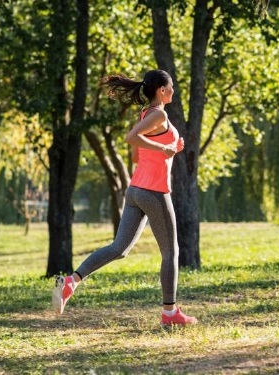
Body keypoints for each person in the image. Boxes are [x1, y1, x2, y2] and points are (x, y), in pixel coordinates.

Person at [52, 69, 197, 326]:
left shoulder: (146, 114)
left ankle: (71, 282)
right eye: (171, 87)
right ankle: (170, 313)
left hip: (135, 191)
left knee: (119, 249)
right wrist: (164, 147)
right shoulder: (159, 114)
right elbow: (131, 138)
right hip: (154, 192)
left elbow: (135, 154)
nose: (173, 91)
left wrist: (170, 150)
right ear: (161, 90)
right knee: (171, 252)